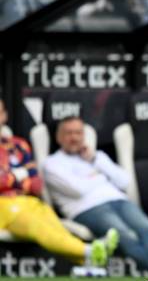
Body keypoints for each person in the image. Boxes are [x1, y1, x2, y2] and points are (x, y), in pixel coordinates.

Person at [43, 116, 148, 275]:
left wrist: (94, 161)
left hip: (119, 200)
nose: (74, 137)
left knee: (147, 227)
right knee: (124, 234)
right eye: (69, 133)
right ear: (59, 137)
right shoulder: (52, 163)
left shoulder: (97, 156)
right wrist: (101, 177)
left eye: (78, 132)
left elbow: (124, 181)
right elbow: (78, 190)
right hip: (87, 209)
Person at [0, 99, 117, 268]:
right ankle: (88, 251)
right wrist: (19, 175)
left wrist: (10, 178)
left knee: (53, 222)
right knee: (36, 226)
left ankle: (86, 259)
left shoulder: (19, 145)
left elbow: (35, 184)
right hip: (3, 205)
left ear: (4, 116)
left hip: (28, 200)